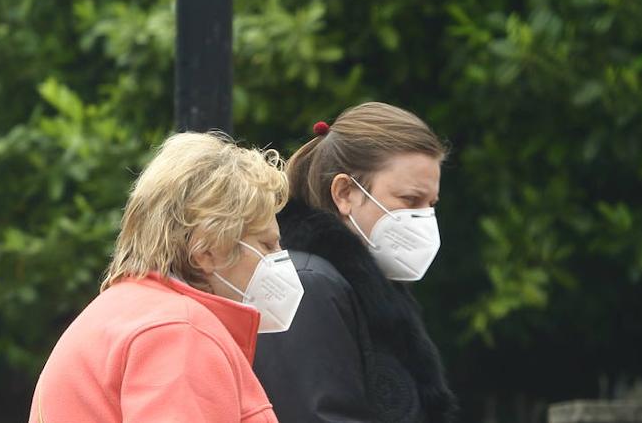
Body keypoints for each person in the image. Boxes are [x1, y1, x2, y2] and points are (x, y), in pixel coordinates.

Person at [29, 132, 304, 423]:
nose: (279, 256)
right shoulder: (181, 331)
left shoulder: (124, 311)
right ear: (206, 250)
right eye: (266, 244)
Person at [254, 102, 459, 423]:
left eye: (430, 204)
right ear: (345, 192)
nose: (423, 218)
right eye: (409, 200)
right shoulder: (308, 285)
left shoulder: (356, 286)